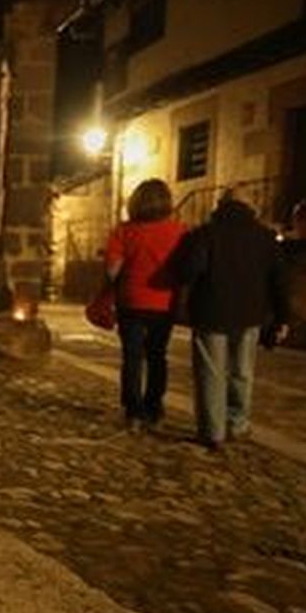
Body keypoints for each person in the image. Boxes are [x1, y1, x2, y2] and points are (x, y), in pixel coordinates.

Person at [179, 197, 290, 452]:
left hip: (211, 310)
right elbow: (279, 280)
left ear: (219, 208)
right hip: (250, 313)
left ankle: (212, 431)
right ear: (252, 210)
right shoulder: (265, 237)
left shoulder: (206, 234)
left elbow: (190, 269)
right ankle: (237, 423)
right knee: (242, 371)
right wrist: (283, 317)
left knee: (211, 372)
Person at [104, 178, 187, 431]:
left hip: (131, 301)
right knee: (157, 355)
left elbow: (112, 272)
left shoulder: (124, 231)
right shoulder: (180, 231)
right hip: (165, 302)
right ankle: (154, 408)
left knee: (132, 357)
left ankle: (134, 413)